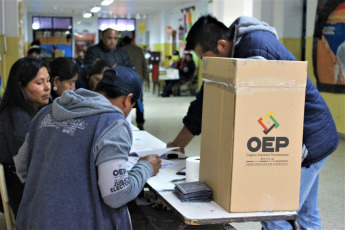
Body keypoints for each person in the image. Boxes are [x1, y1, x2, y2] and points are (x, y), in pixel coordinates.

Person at [167, 15, 339, 230]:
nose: (205, 64)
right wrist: (176, 145)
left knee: (274, 215)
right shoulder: (233, 52)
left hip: (308, 139)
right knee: (304, 213)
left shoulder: (255, 50)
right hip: (307, 134)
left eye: (205, 58)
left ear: (221, 45)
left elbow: (258, 113)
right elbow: (205, 101)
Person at [14, 66, 162, 229]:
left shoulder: (45, 113)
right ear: (128, 99)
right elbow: (116, 195)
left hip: (32, 221)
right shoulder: (113, 123)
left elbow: (21, 167)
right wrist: (145, 167)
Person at [0, 57, 51, 216]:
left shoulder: (27, 111)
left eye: (48, 80)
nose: (47, 87)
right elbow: (28, 166)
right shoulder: (18, 117)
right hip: (23, 193)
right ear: (20, 86)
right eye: (39, 83)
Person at [121, 36, 149, 130]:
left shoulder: (121, 51)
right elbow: (144, 66)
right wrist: (143, 78)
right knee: (139, 102)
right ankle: (140, 122)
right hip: (138, 79)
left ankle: (123, 122)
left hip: (124, 80)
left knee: (123, 101)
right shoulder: (138, 50)